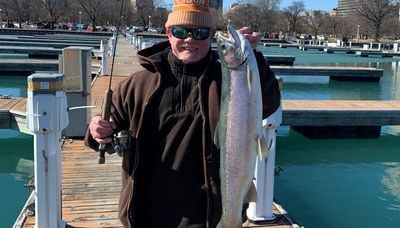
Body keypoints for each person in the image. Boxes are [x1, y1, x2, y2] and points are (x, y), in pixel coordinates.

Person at [85, 0, 281, 227]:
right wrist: (98, 130)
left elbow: (269, 103)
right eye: (181, 31)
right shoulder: (135, 85)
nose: (190, 39)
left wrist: (253, 59)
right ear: (168, 33)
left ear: (210, 36)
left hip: (207, 213)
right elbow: (107, 136)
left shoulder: (229, 78)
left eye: (200, 32)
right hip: (145, 213)